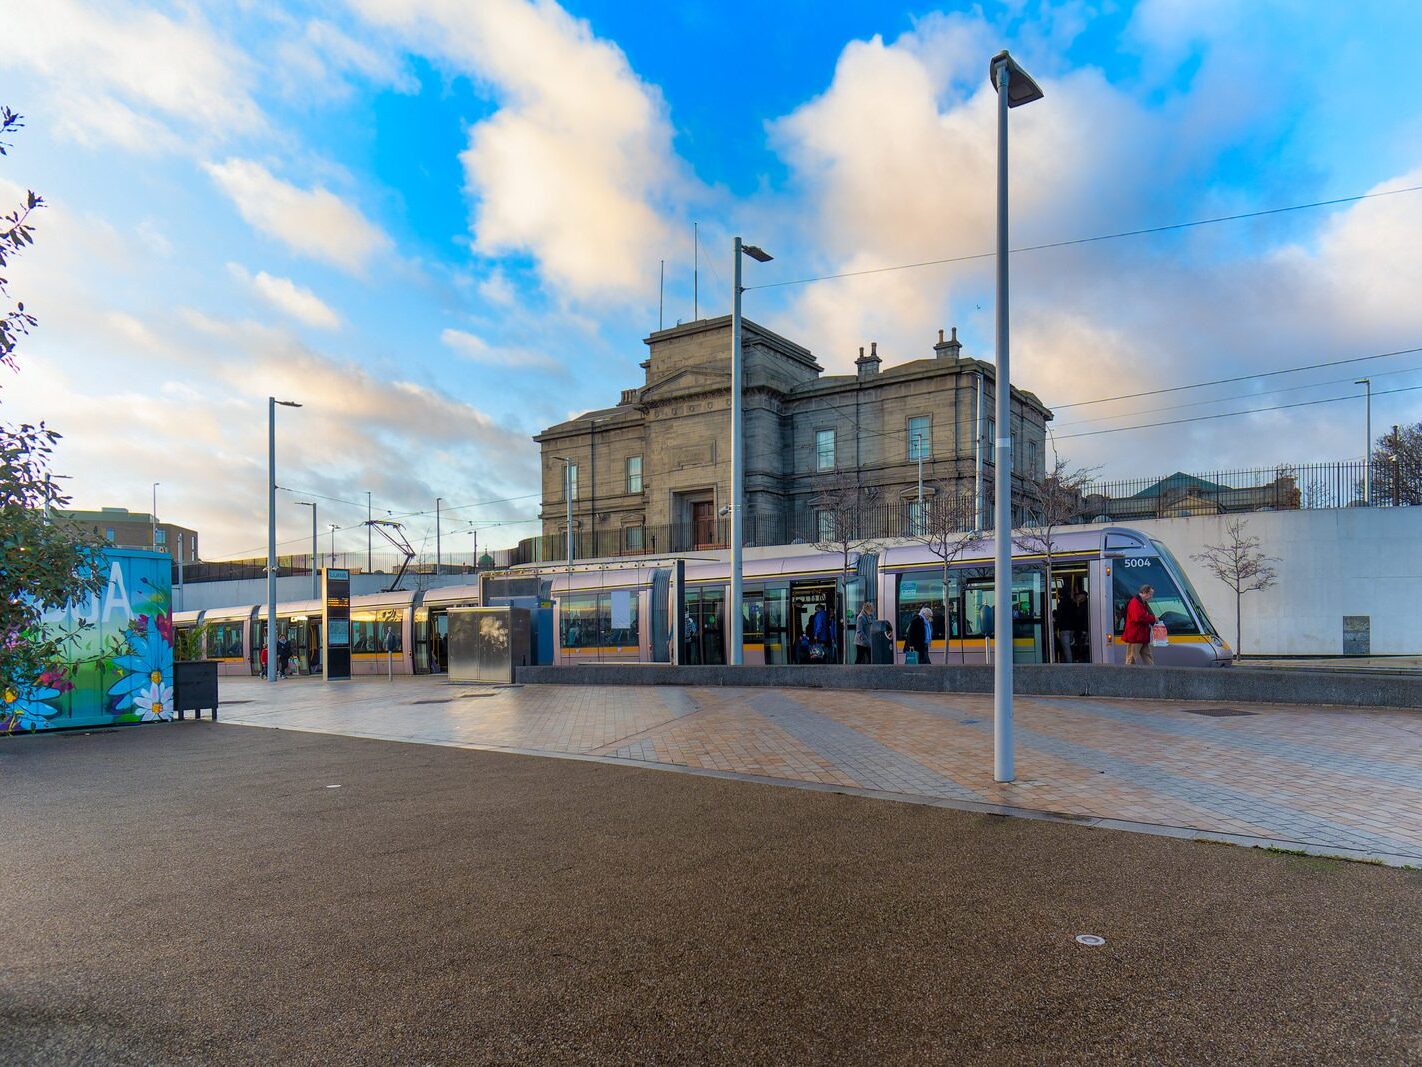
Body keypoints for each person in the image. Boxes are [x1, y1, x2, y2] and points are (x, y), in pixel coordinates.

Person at [1122, 584, 1158, 665]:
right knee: (1132, 658)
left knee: (1145, 656)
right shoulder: (1135, 603)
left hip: (1141, 636)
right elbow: (1138, 617)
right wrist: (1153, 619)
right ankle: (1127, 674)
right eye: (1150, 594)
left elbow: (1141, 617)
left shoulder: (1140, 602)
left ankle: (1153, 673)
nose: (1151, 597)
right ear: (1144, 592)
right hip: (1136, 636)